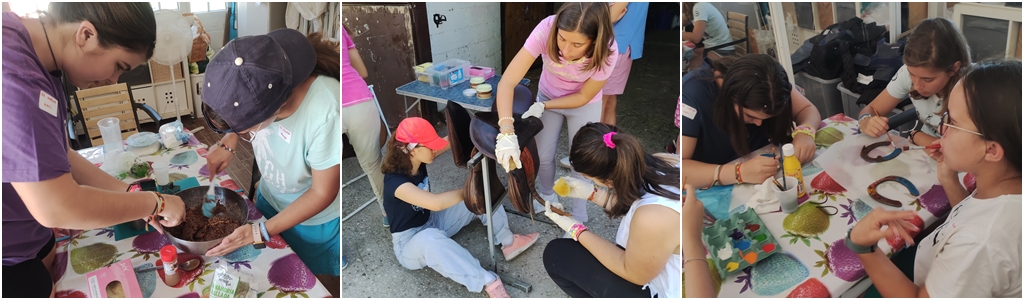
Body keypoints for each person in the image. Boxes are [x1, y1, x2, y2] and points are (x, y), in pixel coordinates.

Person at [2, 3, 185, 297]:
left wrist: (131, 194)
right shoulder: (16, 79)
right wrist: (155, 203)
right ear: (86, 35)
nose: (114, 81)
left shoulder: (40, 56)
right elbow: (57, 207)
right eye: (119, 67)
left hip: (27, 233)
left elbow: (61, 154)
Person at [849, 60, 1021, 297]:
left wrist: (863, 248)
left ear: (991, 150)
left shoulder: (981, 243)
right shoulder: (1003, 186)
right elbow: (973, 213)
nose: (941, 130)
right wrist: (949, 179)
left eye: (953, 123)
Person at [200, 29, 341, 297]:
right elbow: (243, 101)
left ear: (275, 106)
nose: (244, 136)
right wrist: (228, 140)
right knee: (267, 271)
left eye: (246, 131)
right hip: (270, 199)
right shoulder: (262, 77)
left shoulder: (326, 109)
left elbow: (322, 192)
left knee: (302, 281)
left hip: (313, 221)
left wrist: (261, 230)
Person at [381, 117, 540, 298]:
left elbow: (450, 141)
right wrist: (471, 188)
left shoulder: (417, 159)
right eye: (429, 146)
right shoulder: (395, 183)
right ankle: (487, 280)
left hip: (433, 221)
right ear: (410, 149)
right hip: (410, 243)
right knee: (432, 237)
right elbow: (437, 203)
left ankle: (508, 241)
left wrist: (483, 132)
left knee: (482, 194)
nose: (434, 150)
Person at [496, 2, 618, 223]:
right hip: (548, 93)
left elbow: (583, 97)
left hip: (583, 103)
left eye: (577, 44)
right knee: (543, 154)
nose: (566, 50)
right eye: (562, 39)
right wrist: (506, 131)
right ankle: (547, 196)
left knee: (581, 162)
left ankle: (580, 214)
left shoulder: (608, 50)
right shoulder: (546, 29)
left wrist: (545, 106)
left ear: (594, 41)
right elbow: (507, 82)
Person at [542, 123, 688, 298]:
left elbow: (634, 274)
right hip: (671, 263)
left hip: (667, 290)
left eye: (589, 178)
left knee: (557, 255)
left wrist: (576, 229)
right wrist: (593, 194)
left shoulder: (652, 218)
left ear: (608, 180)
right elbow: (635, 205)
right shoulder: (664, 161)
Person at [679, 54, 821, 188]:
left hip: (761, 166)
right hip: (712, 177)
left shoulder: (769, 82)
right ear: (729, 95)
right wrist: (739, 172)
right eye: (750, 116)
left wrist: (805, 133)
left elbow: (807, 109)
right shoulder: (693, 94)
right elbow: (680, 168)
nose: (759, 124)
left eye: (766, 118)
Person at [857, 18, 971, 147]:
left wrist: (916, 136)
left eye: (928, 79)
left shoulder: (973, 90)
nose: (916, 86)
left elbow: (963, 152)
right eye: (912, 74)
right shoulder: (908, 72)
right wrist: (866, 120)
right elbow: (872, 108)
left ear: (954, 68)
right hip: (927, 148)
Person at [342, 26, 387, 228]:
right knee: (374, 164)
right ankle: (390, 213)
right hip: (360, 101)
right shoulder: (340, 27)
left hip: (327, 104)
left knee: (320, 172)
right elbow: (362, 71)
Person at [600, 2, 647, 126]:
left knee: (598, 102)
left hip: (613, 45)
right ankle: (606, 142)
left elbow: (609, 16)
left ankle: (594, 143)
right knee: (608, 99)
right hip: (620, 44)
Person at [681, 2, 735, 71]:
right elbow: (685, 19)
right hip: (714, 47)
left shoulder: (700, 7)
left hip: (722, 51)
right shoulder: (695, 7)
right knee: (686, 57)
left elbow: (696, 38)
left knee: (687, 67)